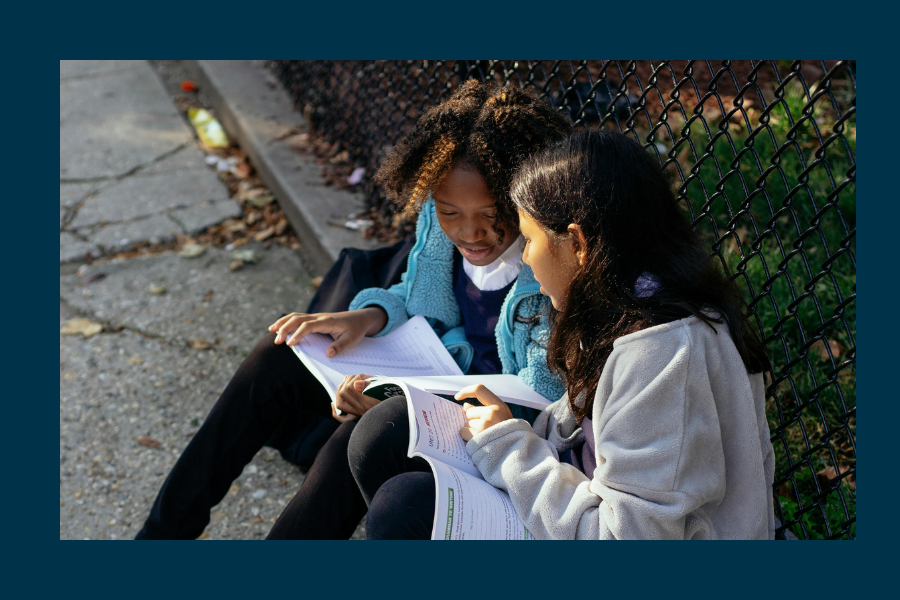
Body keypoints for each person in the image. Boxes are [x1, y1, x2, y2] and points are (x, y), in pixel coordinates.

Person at [136, 80, 571, 540]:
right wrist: (364, 316)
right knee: (280, 351)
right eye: (450, 212)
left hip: (497, 433)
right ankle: (161, 536)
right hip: (428, 377)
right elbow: (417, 296)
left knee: (358, 436)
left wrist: (405, 402)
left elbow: (540, 399)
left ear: (525, 200)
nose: (470, 233)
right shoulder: (439, 223)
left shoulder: (550, 264)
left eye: (491, 214)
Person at [363, 129, 776, 540]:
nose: (524, 256)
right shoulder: (624, 305)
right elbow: (576, 435)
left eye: (529, 239)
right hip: (574, 504)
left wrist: (506, 447)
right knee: (385, 432)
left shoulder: (663, 357)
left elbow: (624, 538)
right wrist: (504, 431)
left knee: (406, 505)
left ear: (577, 243)